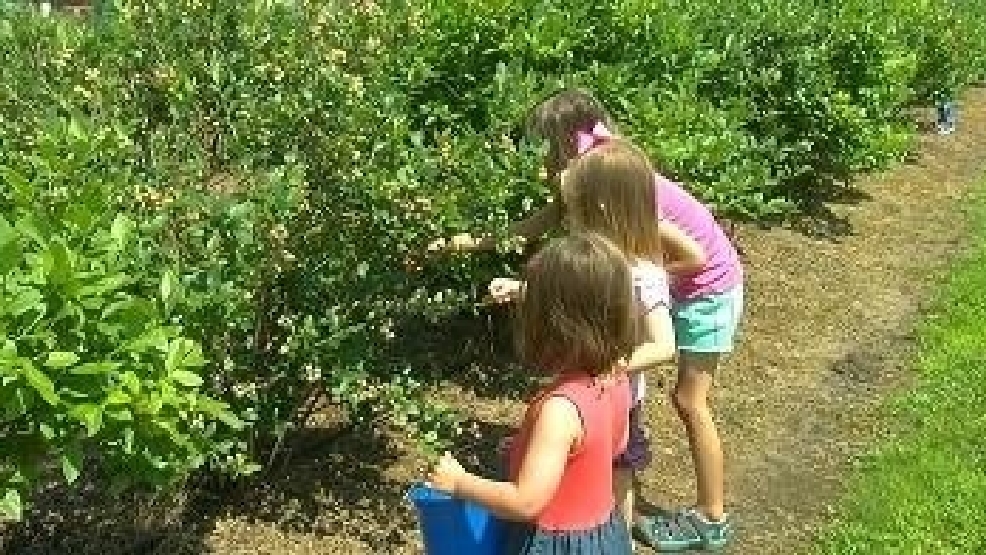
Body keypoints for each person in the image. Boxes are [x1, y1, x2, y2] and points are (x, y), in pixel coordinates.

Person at [440, 88, 745, 552]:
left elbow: (697, 257)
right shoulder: (590, 183)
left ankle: (712, 514)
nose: (545, 156)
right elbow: (538, 231)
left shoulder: (617, 187)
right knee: (623, 427)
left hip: (708, 288)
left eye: (549, 143)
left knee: (689, 400)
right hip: (655, 286)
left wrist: (641, 282)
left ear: (569, 141)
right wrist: (462, 243)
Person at [487, 139, 690, 549]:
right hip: (596, 395)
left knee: (614, 474)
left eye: (576, 204)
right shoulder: (598, 261)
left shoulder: (640, 273)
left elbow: (665, 345)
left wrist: (612, 366)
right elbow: (577, 297)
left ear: (599, 207)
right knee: (591, 470)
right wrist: (527, 289)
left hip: (610, 395)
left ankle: (611, 538)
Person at [427, 233, 638, 554]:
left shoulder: (561, 410)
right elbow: (614, 444)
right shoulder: (616, 375)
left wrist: (459, 483)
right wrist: (531, 447)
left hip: (557, 544)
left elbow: (525, 502)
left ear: (552, 324)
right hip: (603, 534)